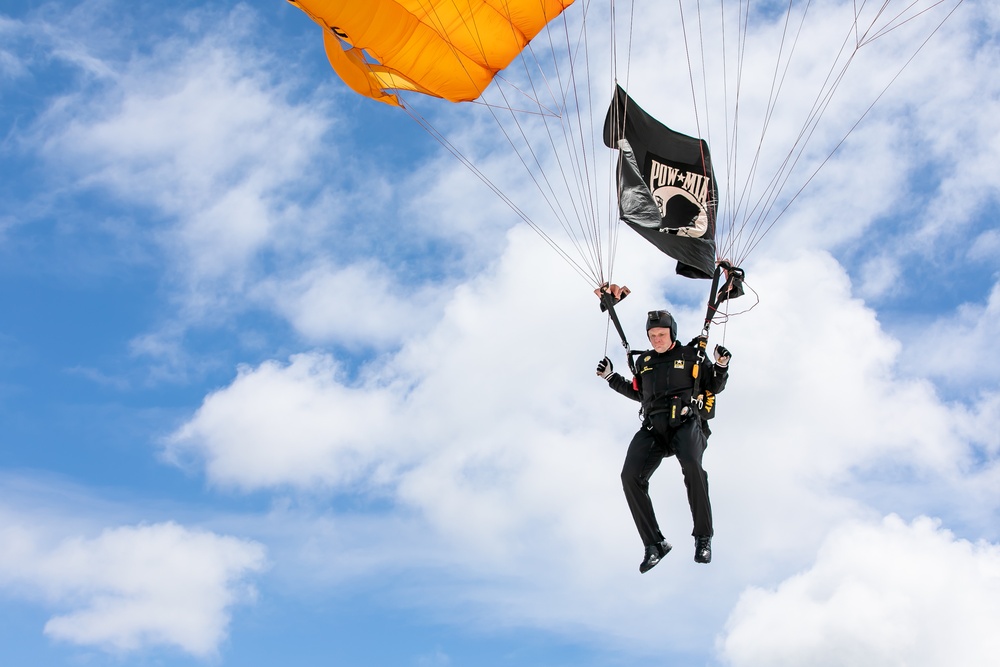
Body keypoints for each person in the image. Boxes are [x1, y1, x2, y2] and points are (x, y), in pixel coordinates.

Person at [596, 310, 731, 572]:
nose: (657, 340)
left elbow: (713, 386)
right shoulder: (645, 361)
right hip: (653, 427)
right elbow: (640, 393)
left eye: (662, 335)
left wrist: (722, 365)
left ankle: (703, 538)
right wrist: (611, 378)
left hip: (685, 422)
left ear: (672, 334)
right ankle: (654, 544)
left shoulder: (691, 355)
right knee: (629, 476)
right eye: (653, 335)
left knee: (692, 465)